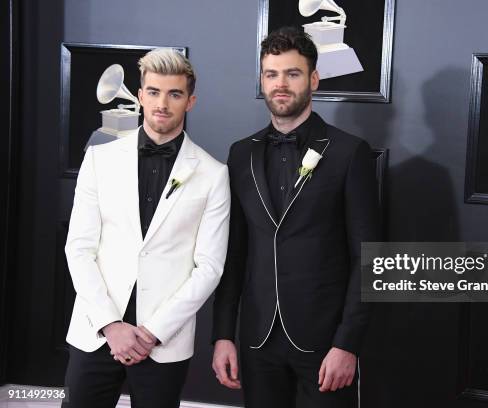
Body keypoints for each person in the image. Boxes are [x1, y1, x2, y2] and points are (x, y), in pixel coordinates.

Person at [211, 26, 380, 408]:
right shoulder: (240, 154)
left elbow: (368, 258)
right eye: (271, 74)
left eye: (292, 73)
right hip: (257, 343)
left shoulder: (349, 153)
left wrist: (347, 344)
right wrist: (223, 334)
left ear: (314, 79)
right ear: (262, 80)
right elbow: (233, 255)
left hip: (324, 347)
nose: (280, 84)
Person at [63, 48, 230, 408]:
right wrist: (111, 324)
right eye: (153, 92)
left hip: (163, 341)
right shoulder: (99, 160)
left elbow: (210, 267)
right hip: (96, 330)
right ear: (140, 96)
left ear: (191, 101)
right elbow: (78, 248)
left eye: (174, 94)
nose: (162, 104)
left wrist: (152, 332)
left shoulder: (214, 174)